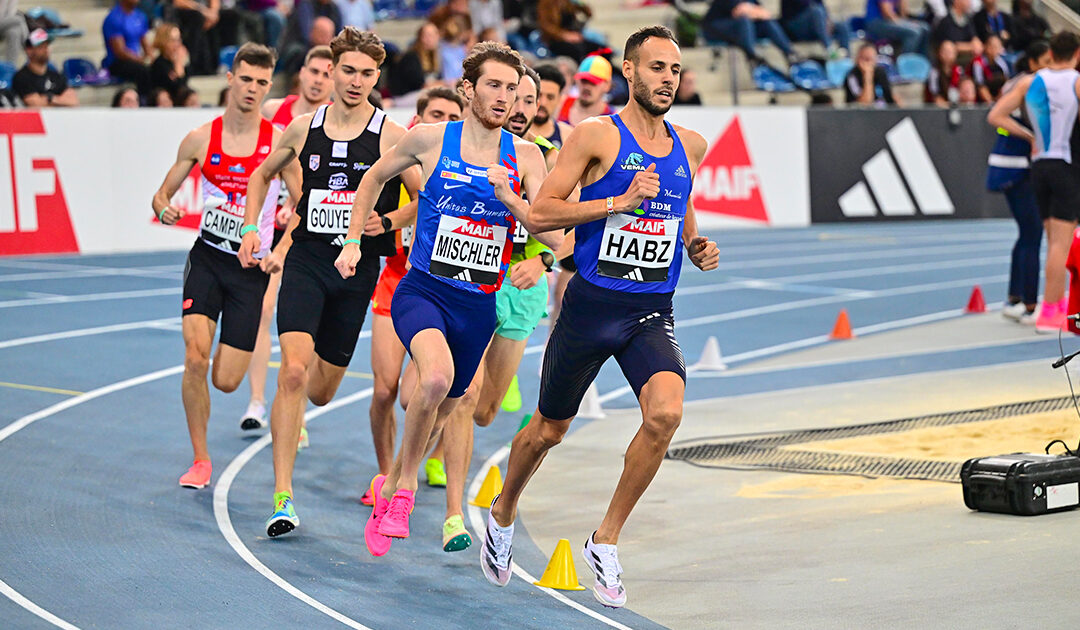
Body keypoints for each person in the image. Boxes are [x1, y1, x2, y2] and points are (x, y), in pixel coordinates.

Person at [479, 25, 719, 608]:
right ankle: (504, 511)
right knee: (547, 431)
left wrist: (693, 242)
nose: (668, 78)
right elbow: (540, 215)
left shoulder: (691, 144)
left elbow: (676, 203)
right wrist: (617, 202)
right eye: (657, 68)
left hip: (649, 311)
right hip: (590, 306)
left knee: (665, 415)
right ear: (629, 73)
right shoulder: (594, 136)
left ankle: (604, 540)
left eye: (675, 70)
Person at [333, 41, 549, 557]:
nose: (505, 98)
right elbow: (371, 177)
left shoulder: (526, 156)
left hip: (478, 306)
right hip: (423, 290)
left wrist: (516, 206)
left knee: (453, 407)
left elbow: (549, 228)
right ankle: (403, 485)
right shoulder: (430, 139)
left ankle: (391, 487)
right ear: (468, 89)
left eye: (513, 90)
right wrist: (352, 240)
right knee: (433, 378)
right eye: (494, 86)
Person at [239, 27, 418, 538]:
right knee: (292, 372)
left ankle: (298, 414)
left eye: (367, 73)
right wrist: (252, 228)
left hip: (356, 272)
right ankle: (282, 497)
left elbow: (422, 198)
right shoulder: (302, 127)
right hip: (308, 260)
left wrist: (386, 223)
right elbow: (259, 176)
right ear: (332, 70)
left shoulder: (390, 134)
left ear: (376, 77)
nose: (356, 81)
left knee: (319, 391)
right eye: (348, 71)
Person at [150, 43, 300, 491]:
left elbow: (306, 202)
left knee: (227, 380)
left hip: (250, 270)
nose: (252, 88)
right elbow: (161, 196)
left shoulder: (277, 142)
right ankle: (200, 459)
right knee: (194, 358)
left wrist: (283, 244)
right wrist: (164, 209)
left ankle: (224, 366)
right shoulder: (200, 138)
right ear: (229, 79)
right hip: (208, 259)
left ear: (268, 86)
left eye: (261, 82)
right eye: (246, 79)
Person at [438, 66, 564, 553]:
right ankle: (439, 499)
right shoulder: (475, 147)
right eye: (513, 96)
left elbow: (564, 235)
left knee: (487, 409)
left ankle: (434, 442)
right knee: (463, 395)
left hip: (523, 284)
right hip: (476, 278)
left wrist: (544, 261)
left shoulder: (546, 160)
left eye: (529, 100)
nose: (519, 107)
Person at [363, 86, 465, 506]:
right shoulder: (404, 150)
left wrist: (389, 219)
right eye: (433, 113)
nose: (440, 121)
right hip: (394, 280)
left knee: (418, 393)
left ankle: (412, 466)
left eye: (449, 116)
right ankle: (386, 473)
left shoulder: (462, 161)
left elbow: (430, 201)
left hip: (441, 285)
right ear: (418, 117)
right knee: (385, 391)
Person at [235, 44, 335, 439]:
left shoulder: (336, 123)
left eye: (327, 73)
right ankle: (258, 401)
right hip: (269, 225)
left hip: (309, 227)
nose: (318, 79)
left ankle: (298, 412)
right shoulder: (274, 111)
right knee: (262, 310)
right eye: (314, 70)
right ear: (302, 73)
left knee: (306, 322)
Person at [988, 31, 1080, 333]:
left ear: (1050, 53)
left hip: (1038, 165)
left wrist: (1030, 136)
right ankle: (1051, 310)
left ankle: (1053, 305)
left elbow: (996, 115)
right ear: (1076, 54)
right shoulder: (1076, 81)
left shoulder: (1031, 81)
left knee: (1053, 240)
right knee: (1060, 243)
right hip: (1065, 163)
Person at [987, 41, 1049, 324]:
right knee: (1032, 232)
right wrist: (1030, 136)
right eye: (1046, 61)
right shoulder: (1028, 82)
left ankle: (1015, 298)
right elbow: (996, 117)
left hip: (1010, 165)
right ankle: (1029, 304)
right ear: (1034, 62)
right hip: (1015, 167)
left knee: (1026, 233)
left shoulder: (1016, 81)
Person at [703, 0, 799, 67]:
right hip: (716, 28)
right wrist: (755, 12)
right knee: (744, 20)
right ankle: (752, 57)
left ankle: (790, 54)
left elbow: (765, 14)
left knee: (767, 23)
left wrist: (754, 12)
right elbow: (740, 11)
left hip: (741, 29)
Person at [13, 29, 79, 107]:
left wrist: (49, 98)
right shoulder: (21, 77)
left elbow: (73, 101)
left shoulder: (56, 75)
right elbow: (36, 104)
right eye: (41, 46)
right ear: (29, 51)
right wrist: (60, 100)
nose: (46, 49)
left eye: (47, 46)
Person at [102, 0, 153, 95]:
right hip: (117, 63)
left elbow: (145, 42)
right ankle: (144, 101)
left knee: (159, 68)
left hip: (136, 60)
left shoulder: (140, 16)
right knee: (143, 71)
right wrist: (141, 60)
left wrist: (151, 58)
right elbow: (120, 51)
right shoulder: (114, 18)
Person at [558, 54, 615, 127]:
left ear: (607, 86)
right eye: (584, 81)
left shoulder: (612, 119)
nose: (587, 87)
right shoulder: (560, 103)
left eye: (593, 82)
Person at [389, 22, 444, 98]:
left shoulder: (436, 56)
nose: (430, 39)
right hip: (405, 96)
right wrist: (446, 83)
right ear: (420, 38)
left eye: (434, 35)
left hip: (418, 94)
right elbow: (421, 85)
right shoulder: (411, 57)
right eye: (427, 36)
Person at [780, 0, 851, 57]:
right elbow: (805, 4)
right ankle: (829, 50)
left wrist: (827, 21)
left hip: (815, 25)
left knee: (841, 26)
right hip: (794, 25)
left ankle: (846, 59)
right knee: (817, 11)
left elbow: (822, 6)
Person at [169, 0, 221, 76]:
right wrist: (204, 11)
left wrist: (213, 13)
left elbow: (214, 3)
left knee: (229, 16)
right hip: (185, 12)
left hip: (204, 15)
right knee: (197, 18)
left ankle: (213, 65)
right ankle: (193, 64)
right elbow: (179, 2)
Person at [864, 0, 930, 56]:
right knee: (913, 33)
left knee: (925, 28)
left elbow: (903, 14)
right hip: (877, 23)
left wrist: (908, 22)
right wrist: (906, 24)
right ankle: (905, 64)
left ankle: (922, 63)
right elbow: (887, 13)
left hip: (891, 21)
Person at [533, 64, 574, 148]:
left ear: (559, 99)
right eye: (539, 95)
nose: (543, 103)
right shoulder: (513, 129)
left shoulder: (568, 136)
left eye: (550, 97)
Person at [150, 23, 189, 102]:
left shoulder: (179, 61)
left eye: (178, 40)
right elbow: (179, 88)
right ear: (164, 41)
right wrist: (178, 63)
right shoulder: (159, 64)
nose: (178, 44)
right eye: (173, 40)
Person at [972, 34, 1010, 103]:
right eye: (992, 46)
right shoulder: (978, 63)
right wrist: (991, 102)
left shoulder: (1002, 63)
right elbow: (980, 86)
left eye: (997, 46)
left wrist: (999, 101)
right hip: (980, 99)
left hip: (998, 97)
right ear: (986, 47)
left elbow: (1006, 83)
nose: (994, 49)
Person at [927, 40, 965, 106]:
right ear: (940, 53)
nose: (947, 54)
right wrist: (947, 106)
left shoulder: (959, 70)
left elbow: (964, 91)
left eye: (950, 51)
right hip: (939, 108)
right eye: (945, 51)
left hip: (958, 105)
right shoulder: (934, 72)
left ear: (955, 53)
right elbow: (935, 95)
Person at [0, 0, 28, 66]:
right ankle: (28, 45)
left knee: (14, 32)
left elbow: (10, 15)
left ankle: (10, 67)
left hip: (5, 26)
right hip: (3, 23)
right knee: (19, 20)